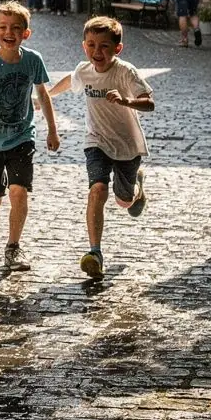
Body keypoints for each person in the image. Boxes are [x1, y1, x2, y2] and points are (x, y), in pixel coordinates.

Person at [48, 16, 153, 281]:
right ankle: (95, 253)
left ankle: (137, 189)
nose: (98, 52)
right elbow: (70, 81)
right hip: (96, 141)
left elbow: (148, 103)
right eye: (92, 45)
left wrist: (126, 100)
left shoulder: (125, 71)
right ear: (84, 46)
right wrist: (47, 97)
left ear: (117, 49)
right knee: (97, 189)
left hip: (127, 146)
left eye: (104, 46)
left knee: (123, 200)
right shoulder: (84, 70)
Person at [0, 1, 60, 271]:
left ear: (26, 34)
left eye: (16, 28)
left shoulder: (33, 60)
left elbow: (43, 94)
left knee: (19, 191)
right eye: (3, 27)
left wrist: (52, 130)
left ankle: (13, 248)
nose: (10, 32)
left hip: (22, 137)